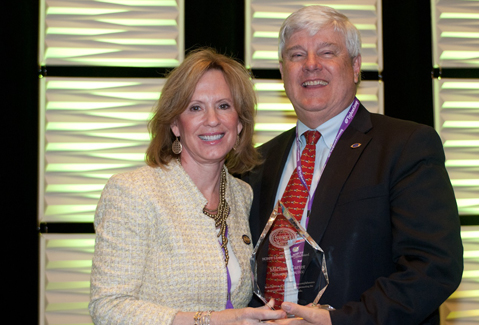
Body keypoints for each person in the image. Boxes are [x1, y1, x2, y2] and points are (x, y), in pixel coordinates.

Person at [242, 5, 463, 325]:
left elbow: (432, 266)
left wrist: (339, 321)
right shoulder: (257, 162)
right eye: (297, 55)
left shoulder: (405, 146)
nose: (311, 65)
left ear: (356, 66)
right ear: (282, 70)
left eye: (327, 52)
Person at [89, 48, 286, 325]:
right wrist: (210, 320)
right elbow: (108, 307)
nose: (212, 120)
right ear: (175, 124)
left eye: (224, 106)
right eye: (195, 108)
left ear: (240, 122)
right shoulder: (133, 192)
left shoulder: (243, 195)